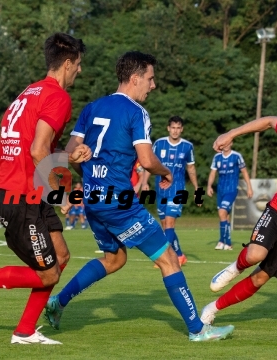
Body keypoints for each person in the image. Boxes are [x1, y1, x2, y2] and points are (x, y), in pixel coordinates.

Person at [45, 51, 234, 342]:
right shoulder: (137, 112)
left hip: (94, 199)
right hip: (120, 204)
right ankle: (198, 329)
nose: (153, 85)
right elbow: (146, 160)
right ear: (135, 79)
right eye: (150, 78)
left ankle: (58, 302)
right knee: (169, 260)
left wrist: (81, 166)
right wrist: (166, 173)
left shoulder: (92, 107)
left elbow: (69, 154)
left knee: (114, 258)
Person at [0, 32, 91, 345]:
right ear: (67, 64)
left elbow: (33, 147)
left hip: (27, 190)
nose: (80, 71)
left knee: (61, 257)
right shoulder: (58, 97)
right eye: (78, 64)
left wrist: (67, 157)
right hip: (21, 195)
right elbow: (39, 150)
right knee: (48, 273)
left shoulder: (31, 91)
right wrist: (61, 192)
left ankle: (25, 330)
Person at [201, 83, 277, 329]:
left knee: (260, 278)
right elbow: (269, 121)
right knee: (255, 255)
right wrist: (231, 134)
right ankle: (235, 266)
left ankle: (211, 309)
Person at [145, 116, 200, 266]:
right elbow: (150, 163)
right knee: (165, 226)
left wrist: (197, 189)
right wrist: (144, 182)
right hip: (161, 188)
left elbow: (191, 168)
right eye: (173, 127)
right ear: (168, 128)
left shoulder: (187, 146)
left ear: (181, 129)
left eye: (178, 128)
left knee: (169, 224)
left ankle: (163, 258)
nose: (175, 130)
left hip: (177, 189)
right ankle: (180, 255)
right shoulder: (159, 144)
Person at [207, 143, 253, 250]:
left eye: (228, 143)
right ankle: (224, 242)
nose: (226, 145)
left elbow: (244, 172)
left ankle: (225, 242)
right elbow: (213, 173)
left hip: (231, 189)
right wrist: (209, 186)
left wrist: (249, 187)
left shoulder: (236, 156)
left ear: (231, 143)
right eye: (224, 143)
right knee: (224, 216)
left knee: (222, 212)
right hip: (221, 190)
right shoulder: (217, 157)